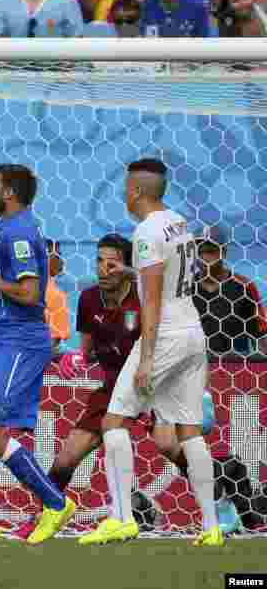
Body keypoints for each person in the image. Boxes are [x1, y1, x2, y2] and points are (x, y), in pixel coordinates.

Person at [14, 233, 198, 540]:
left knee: (169, 446)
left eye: (112, 263)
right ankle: (43, 517)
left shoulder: (145, 296)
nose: (103, 269)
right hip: (114, 388)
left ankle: (221, 496)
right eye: (99, 261)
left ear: (128, 267)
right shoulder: (87, 299)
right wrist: (76, 360)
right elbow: (86, 351)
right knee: (65, 458)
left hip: (154, 384)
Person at [80, 158, 222, 547]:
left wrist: (145, 358)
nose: (124, 194)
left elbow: (154, 299)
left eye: (127, 187)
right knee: (190, 431)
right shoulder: (179, 223)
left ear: (138, 191)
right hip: (194, 331)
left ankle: (122, 518)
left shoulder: (144, 231)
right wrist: (130, 274)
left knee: (113, 422)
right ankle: (211, 528)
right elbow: (172, 276)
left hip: (166, 335)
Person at [0, 163, 75, 545]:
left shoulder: (19, 233)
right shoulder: (6, 230)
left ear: (8, 194)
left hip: (21, 341)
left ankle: (56, 503)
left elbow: (29, 294)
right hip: (3, 340)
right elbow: (10, 285)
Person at [193, 229, 267, 355]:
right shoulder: (186, 288)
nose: (204, 257)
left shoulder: (244, 286)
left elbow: (261, 334)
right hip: (194, 366)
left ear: (224, 252)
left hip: (234, 365)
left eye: (210, 251)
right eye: (199, 251)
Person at [44, 238, 69, 351]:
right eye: (58, 256)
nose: (62, 261)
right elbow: (53, 342)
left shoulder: (11, 288)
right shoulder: (56, 296)